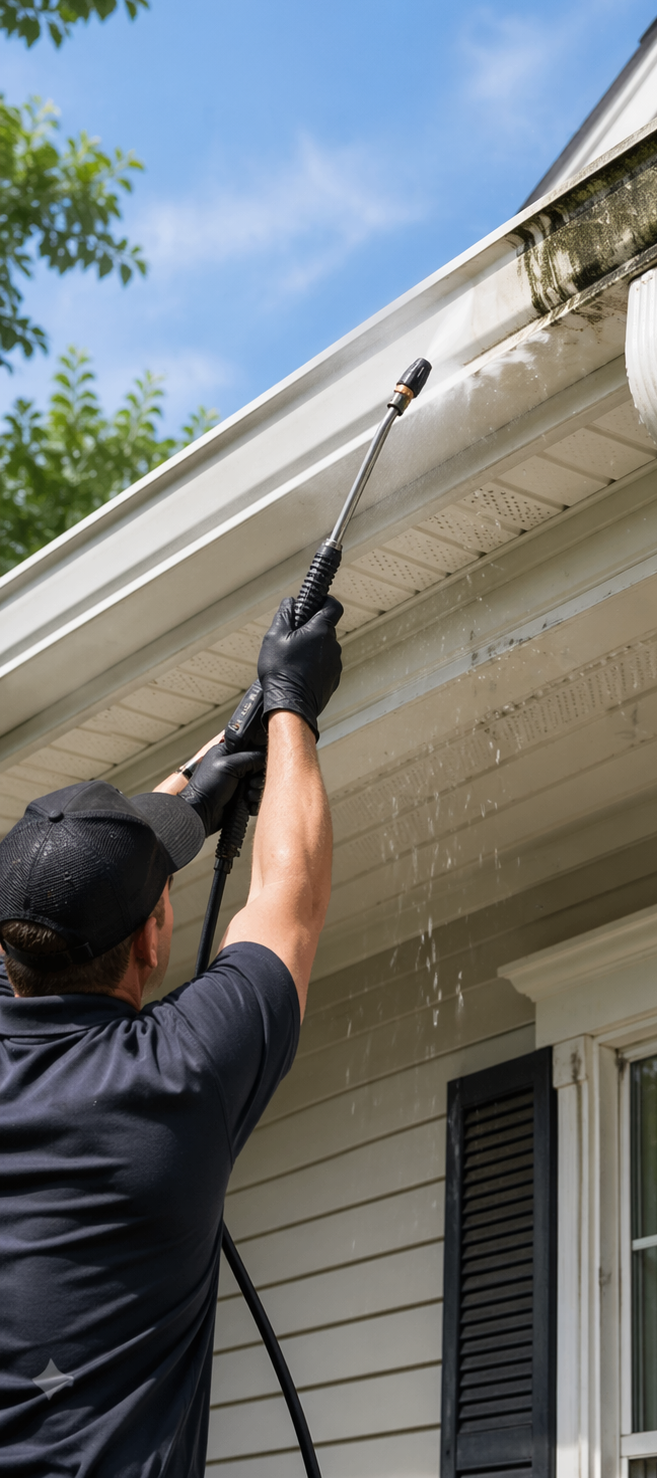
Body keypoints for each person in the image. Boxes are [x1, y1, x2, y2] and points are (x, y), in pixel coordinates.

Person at [0, 594, 343, 1478]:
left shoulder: (174, 1067)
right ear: (155, 939)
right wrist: (291, 708)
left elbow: (65, 889)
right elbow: (289, 893)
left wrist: (211, 771)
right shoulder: (173, 1078)